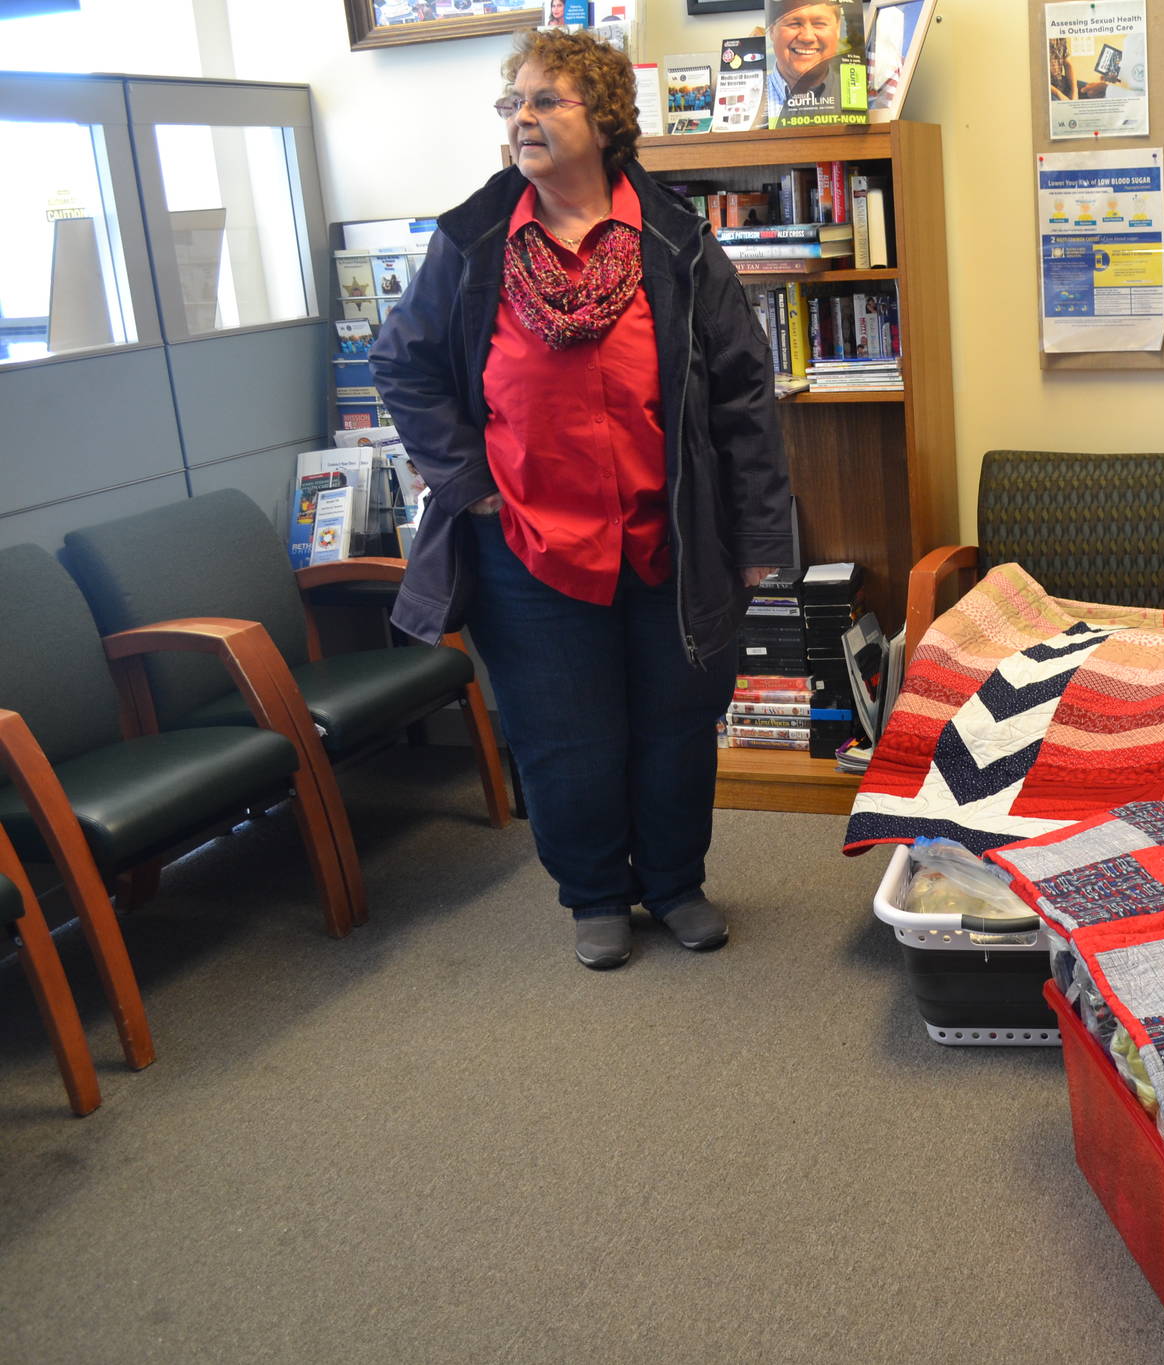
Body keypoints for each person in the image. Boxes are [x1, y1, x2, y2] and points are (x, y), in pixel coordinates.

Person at [368, 27, 788, 971]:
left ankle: (676, 880)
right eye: (512, 102)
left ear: (603, 118)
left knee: (677, 726)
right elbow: (401, 361)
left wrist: (761, 532)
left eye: (545, 100)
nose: (523, 117)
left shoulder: (675, 239)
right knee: (564, 737)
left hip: (667, 538)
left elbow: (742, 393)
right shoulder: (474, 240)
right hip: (528, 543)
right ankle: (595, 892)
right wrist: (470, 484)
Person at [766, 1, 844, 116]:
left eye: (819, 23)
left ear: (837, 29)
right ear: (772, 30)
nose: (807, 37)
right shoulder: (751, 98)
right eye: (794, 24)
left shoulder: (860, 94)